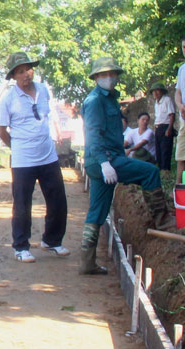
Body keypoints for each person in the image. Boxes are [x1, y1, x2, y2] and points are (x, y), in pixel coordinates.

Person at [80, 57, 174, 275]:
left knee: (98, 209)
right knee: (150, 172)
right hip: (105, 160)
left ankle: (87, 263)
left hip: (106, 160)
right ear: (96, 78)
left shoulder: (111, 99)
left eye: (112, 74)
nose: (109, 78)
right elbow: (93, 135)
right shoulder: (94, 101)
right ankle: (162, 221)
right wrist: (105, 163)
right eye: (103, 75)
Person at [0, 51, 69, 263]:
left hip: (48, 156)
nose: (26, 74)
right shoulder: (9, 100)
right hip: (23, 161)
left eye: (28, 69)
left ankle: (52, 241)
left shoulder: (44, 90)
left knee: (58, 201)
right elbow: (1, 131)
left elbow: (47, 117)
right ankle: (21, 246)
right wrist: (17, 147)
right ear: (13, 76)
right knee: (22, 205)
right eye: (20, 71)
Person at [150, 83, 175, 170]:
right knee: (158, 151)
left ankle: (166, 170)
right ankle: (161, 169)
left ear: (162, 91)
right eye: (153, 91)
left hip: (166, 127)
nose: (155, 93)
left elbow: (172, 115)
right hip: (158, 128)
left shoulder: (167, 100)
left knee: (165, 151)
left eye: (157, 90)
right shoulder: (156, 103)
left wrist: (169, 129)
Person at [175, 35, 185, 183]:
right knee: (181, 157)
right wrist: (180, 105)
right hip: (184, 120)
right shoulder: (182, 69)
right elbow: (177, 92)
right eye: (184, 47)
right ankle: (178, 189)